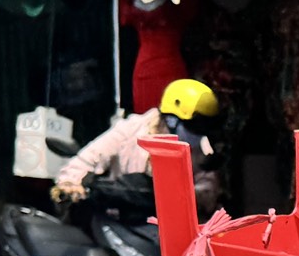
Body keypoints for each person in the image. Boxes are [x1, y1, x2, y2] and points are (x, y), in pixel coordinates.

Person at [53, 77, 219, 200]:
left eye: (204, 126)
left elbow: (208, 186)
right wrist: (70, 185)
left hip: (167, 225)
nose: (197, 132)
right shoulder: (130, 131)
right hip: (121, 215)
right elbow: (87, 160)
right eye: (194, 125)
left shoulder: (201, 148)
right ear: (171, 119)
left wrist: (184, 197)